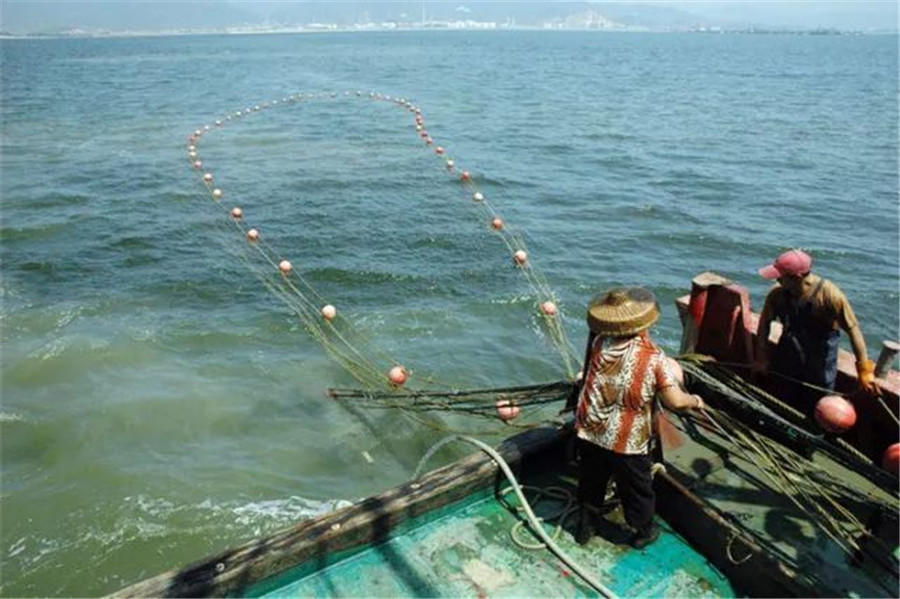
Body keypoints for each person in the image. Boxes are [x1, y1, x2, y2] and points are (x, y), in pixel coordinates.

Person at [571, 287, 706, 549]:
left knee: (591, 481)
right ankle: (643, 532)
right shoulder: (653, 357)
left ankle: (585, 527)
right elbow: (675, 401)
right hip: (627, 439)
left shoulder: (599, 343)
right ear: (645, 324)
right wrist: (696, 401)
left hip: (590, 429)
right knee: (636, 489)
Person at [753, 249, 880, 412]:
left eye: (780, 277)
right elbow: (764, 326)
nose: (777, 280)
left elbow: (853, 330)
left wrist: (864, 371)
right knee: (780, 399)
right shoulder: (776, 295)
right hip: (788, 356)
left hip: (820, 364)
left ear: (796, 278)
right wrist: (761, 358)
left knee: (817, 406)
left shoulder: (830, 295)